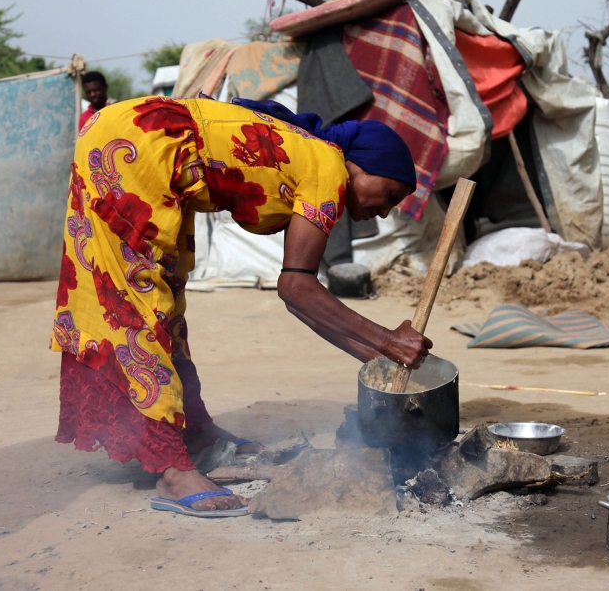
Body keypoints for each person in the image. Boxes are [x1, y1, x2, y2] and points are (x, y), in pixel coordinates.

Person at [53, 94, 432, 517]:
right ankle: (171, 469)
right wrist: (387, 341)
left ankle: (195, 433)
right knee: (137, 306)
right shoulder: (329, 167)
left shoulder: (315, 161)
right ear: (363, 166)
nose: (383, 212)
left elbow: (299, 293)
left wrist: (377, 356)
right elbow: (296, 287)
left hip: (146, 143)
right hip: (136, 145)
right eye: (390, 194)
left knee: (168, 309)